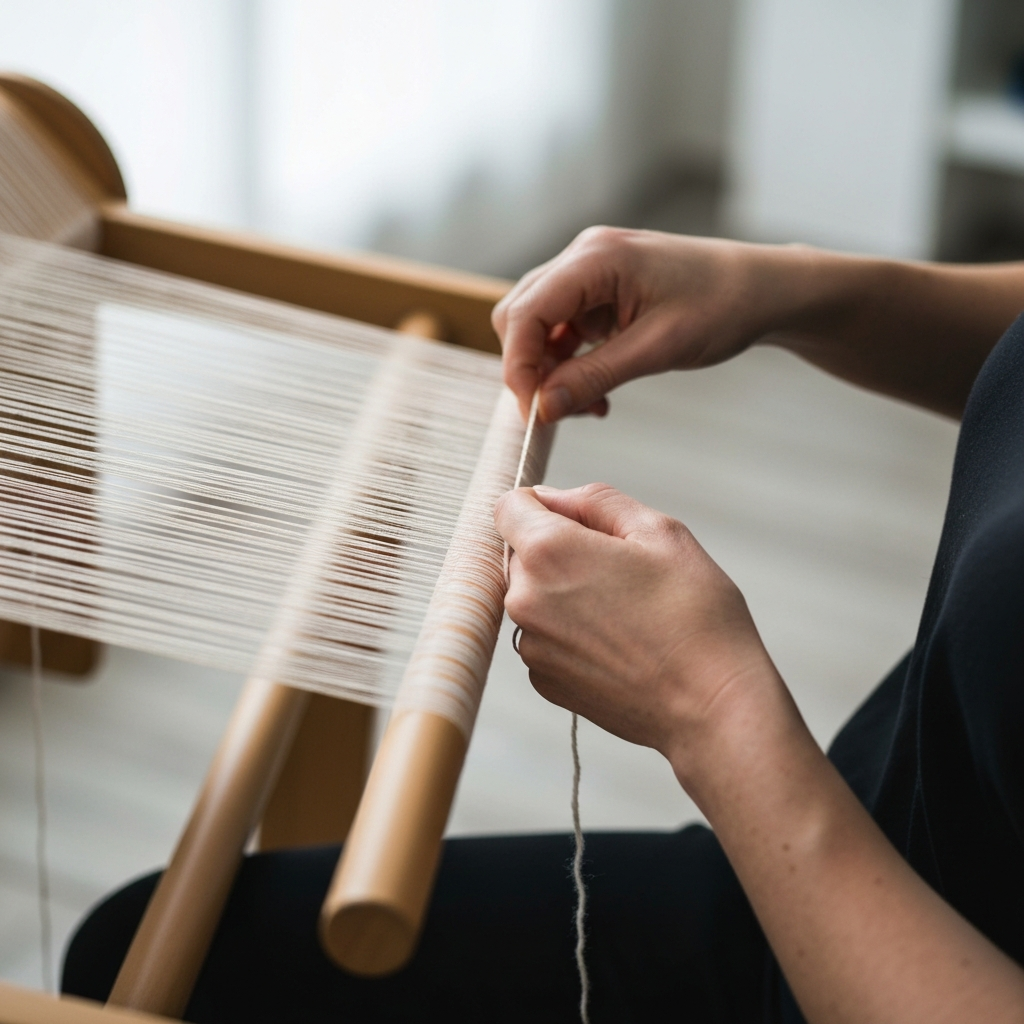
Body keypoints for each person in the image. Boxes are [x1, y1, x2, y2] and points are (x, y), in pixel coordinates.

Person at [64, 228, 1024, 1024]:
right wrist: (780, 288)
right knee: (138, 957)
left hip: (870, 956)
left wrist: (713, 709)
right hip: (838, 868)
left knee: (166, 981)